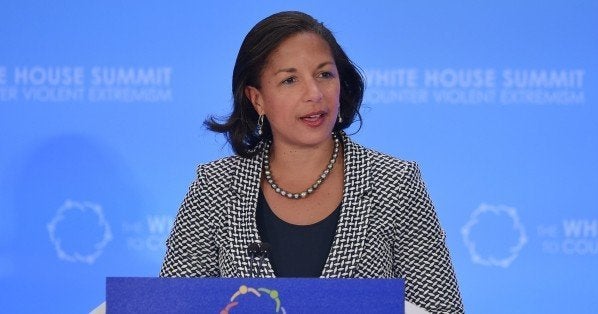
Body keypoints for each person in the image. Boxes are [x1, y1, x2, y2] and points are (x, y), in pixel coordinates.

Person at [160, 11, 464, 313]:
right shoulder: (215, 186)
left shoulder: (395, 182)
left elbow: (440, 308)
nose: (315, 94)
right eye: (290, 79)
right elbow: (171, 307)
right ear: (257, 99)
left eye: (324, 75)